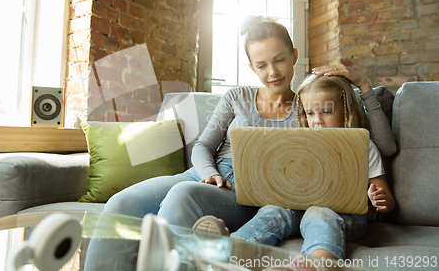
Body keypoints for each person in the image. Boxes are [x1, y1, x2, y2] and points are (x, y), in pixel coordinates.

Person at [102, 16, 396, 232]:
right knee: (119, 204)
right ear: (252, 67)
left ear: (293, 57)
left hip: (244, 191)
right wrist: (208, 174)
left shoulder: (312, 107)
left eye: (279, 60)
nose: (273, 72)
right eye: (261, 65)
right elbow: (203, 145)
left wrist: (363, 85)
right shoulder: (237, 96)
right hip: (203, 176)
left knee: (182, 197)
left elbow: (382, 146)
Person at [195, 74, 396, 262]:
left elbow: (385, 197)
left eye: (326, 111)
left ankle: (317, 263)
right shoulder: (299, 144)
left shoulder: (361, 145)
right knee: (273, 210)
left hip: (346, 217)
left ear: (345, 110)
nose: (317, 119)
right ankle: (234, 248)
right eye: (310, 112)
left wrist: (382, 200)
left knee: (319, 214)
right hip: (298, 209)